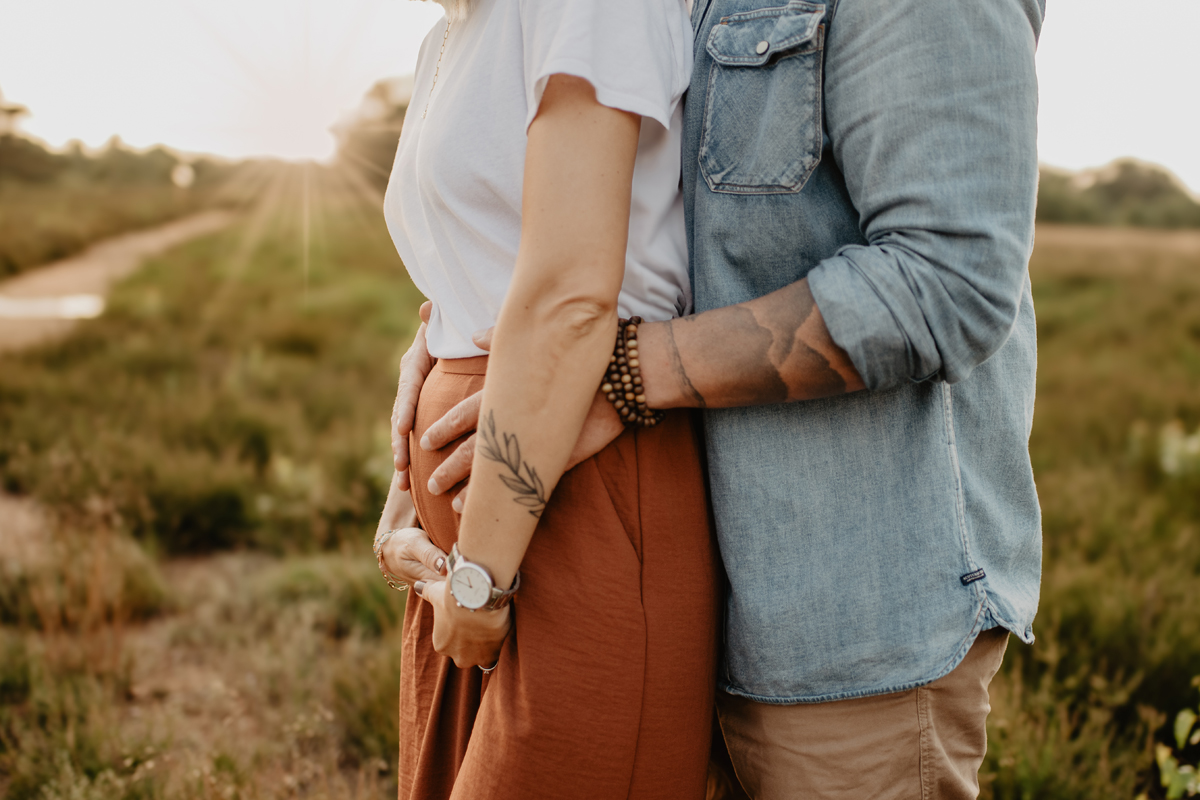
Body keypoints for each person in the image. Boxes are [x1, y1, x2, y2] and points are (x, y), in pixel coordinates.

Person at [387, 0, 1046, 796]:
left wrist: (625, 370)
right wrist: (445, 340)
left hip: (844, 614)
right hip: (679, 566)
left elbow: (949, 283)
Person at [373, 0, 721, 798]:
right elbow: (476, 265)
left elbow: (570, 295)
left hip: (577, 500)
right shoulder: (448, 34)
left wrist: (481, 580)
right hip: (476, 531)